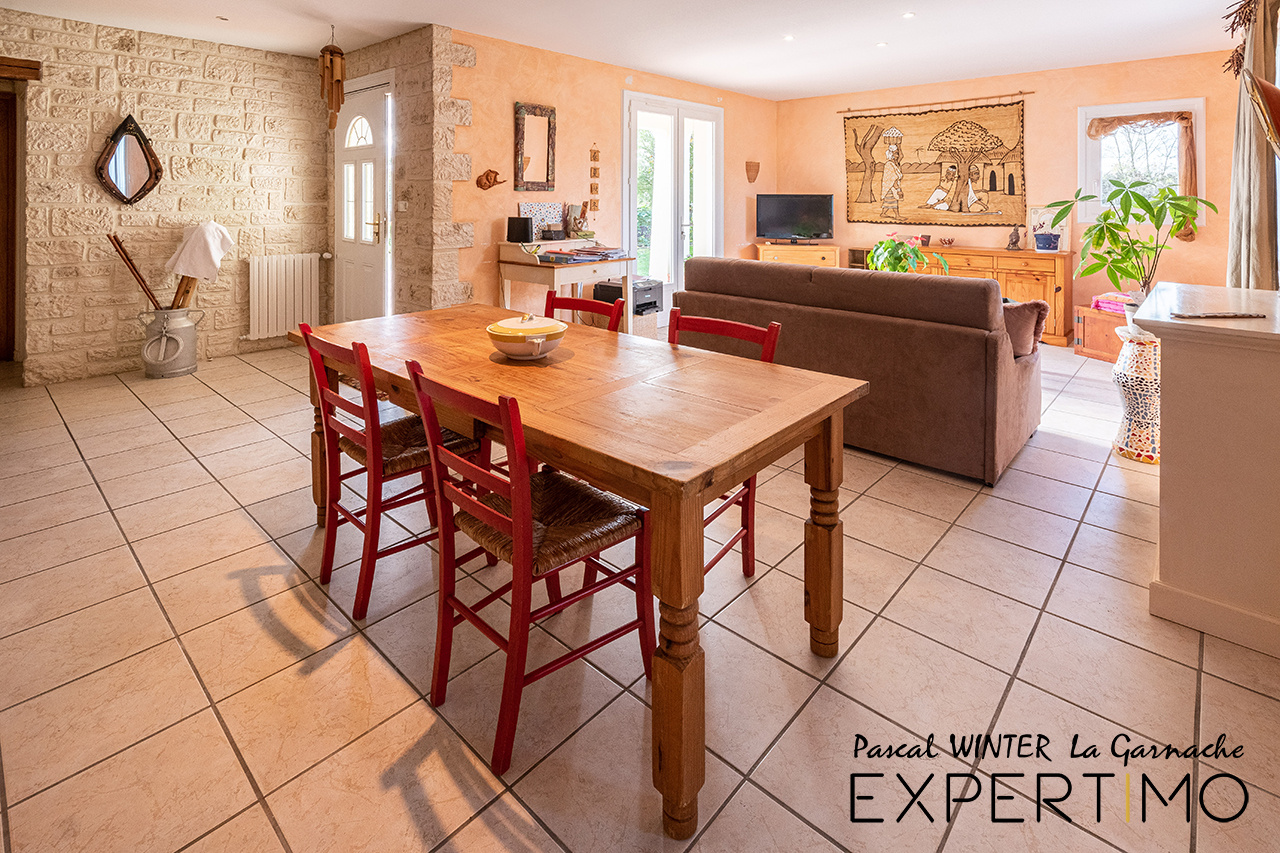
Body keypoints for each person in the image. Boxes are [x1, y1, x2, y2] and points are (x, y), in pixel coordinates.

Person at [880, 145, 904, 219]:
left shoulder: (894, 163)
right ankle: (897, 215)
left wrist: (899, 146)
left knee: (888, 202)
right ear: (891, 154)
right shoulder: (889, 164)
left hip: (891, 186)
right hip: (890, 186)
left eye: (897, 153)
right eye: (896, 153)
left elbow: (901, 156)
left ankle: (883, 213)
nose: (897, 155)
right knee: (893, 201)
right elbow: (892, 178)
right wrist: (897, 189)